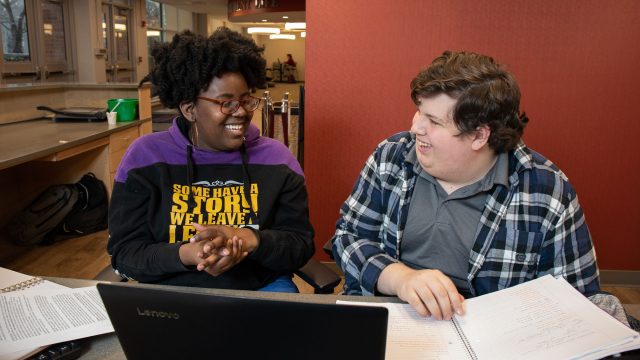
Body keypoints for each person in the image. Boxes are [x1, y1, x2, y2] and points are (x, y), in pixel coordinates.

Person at [332, 50, 613, 321]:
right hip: (390, 315)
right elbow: (348, 237)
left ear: (479, 136)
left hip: (493, 338)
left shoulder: (547, 191)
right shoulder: (390, 156)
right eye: (419, 111)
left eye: (434, 121)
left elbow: (578, 302)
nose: (416, 127)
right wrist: (400, 278)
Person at [108, 28, 314, 293]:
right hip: (170, 291)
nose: (240, 112)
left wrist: (247, 239)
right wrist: (192, 254)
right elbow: (125, 253)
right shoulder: (145, 158)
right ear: (189, 109)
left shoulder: (278, 159)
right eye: (226, 103)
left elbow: (300, 245)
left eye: (246, 100)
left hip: (261, 288)